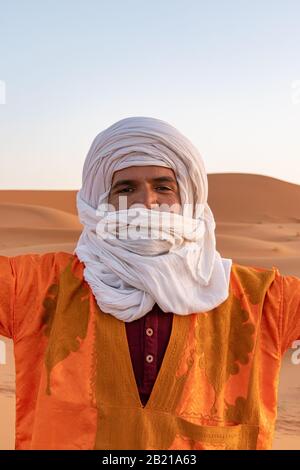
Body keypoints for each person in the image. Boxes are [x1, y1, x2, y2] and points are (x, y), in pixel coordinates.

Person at [0, 116, 299, 450]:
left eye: (163, 187)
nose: (147, 202)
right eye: (125, 189)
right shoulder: (36, 287)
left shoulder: (263, 299)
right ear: (99, 199)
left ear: (188, 196)